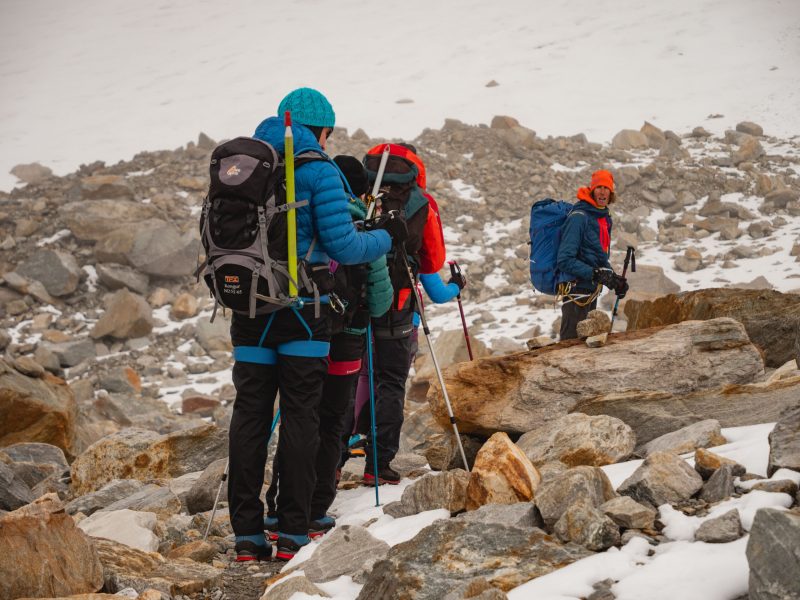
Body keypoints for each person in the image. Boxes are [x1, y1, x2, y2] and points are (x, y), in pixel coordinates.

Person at [227, 88, 406, 562]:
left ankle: (246, 534)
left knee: (250, 415)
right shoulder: (319, 170)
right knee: (303, 416)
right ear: (319, 129)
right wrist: (385, 237)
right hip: (303, 314)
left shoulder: (244, 164)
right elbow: (345, 247)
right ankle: (291, 532)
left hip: (248, 309)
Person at [263, 155, 394, 544]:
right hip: (347, 337)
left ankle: (281, 508)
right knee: (333, 420)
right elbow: (379, 301)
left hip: (305, 331)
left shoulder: (310, 218)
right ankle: (315, 509)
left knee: (298, 416)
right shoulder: (361, 228)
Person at [360, 142, 466, 485]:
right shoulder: (420, 203)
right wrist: (456, 286)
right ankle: (379, 465)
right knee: (390, 383)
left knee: (353, 378)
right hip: (398, 307)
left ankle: (335, 458)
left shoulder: (361, 190)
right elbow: (433, 266)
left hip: (351, 301)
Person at [556, 169, 628, 340]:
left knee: (585, 347)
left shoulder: (602, 218)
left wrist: (613, 279)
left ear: (611, 193)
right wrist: (596, 274)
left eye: (606, 188)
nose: (602, 191)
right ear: (592, 190)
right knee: (570, 345)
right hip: (575, 292)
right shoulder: (579, 218)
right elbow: (564, 260)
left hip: (590, 291)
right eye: (599, 187)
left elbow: (597, 256)